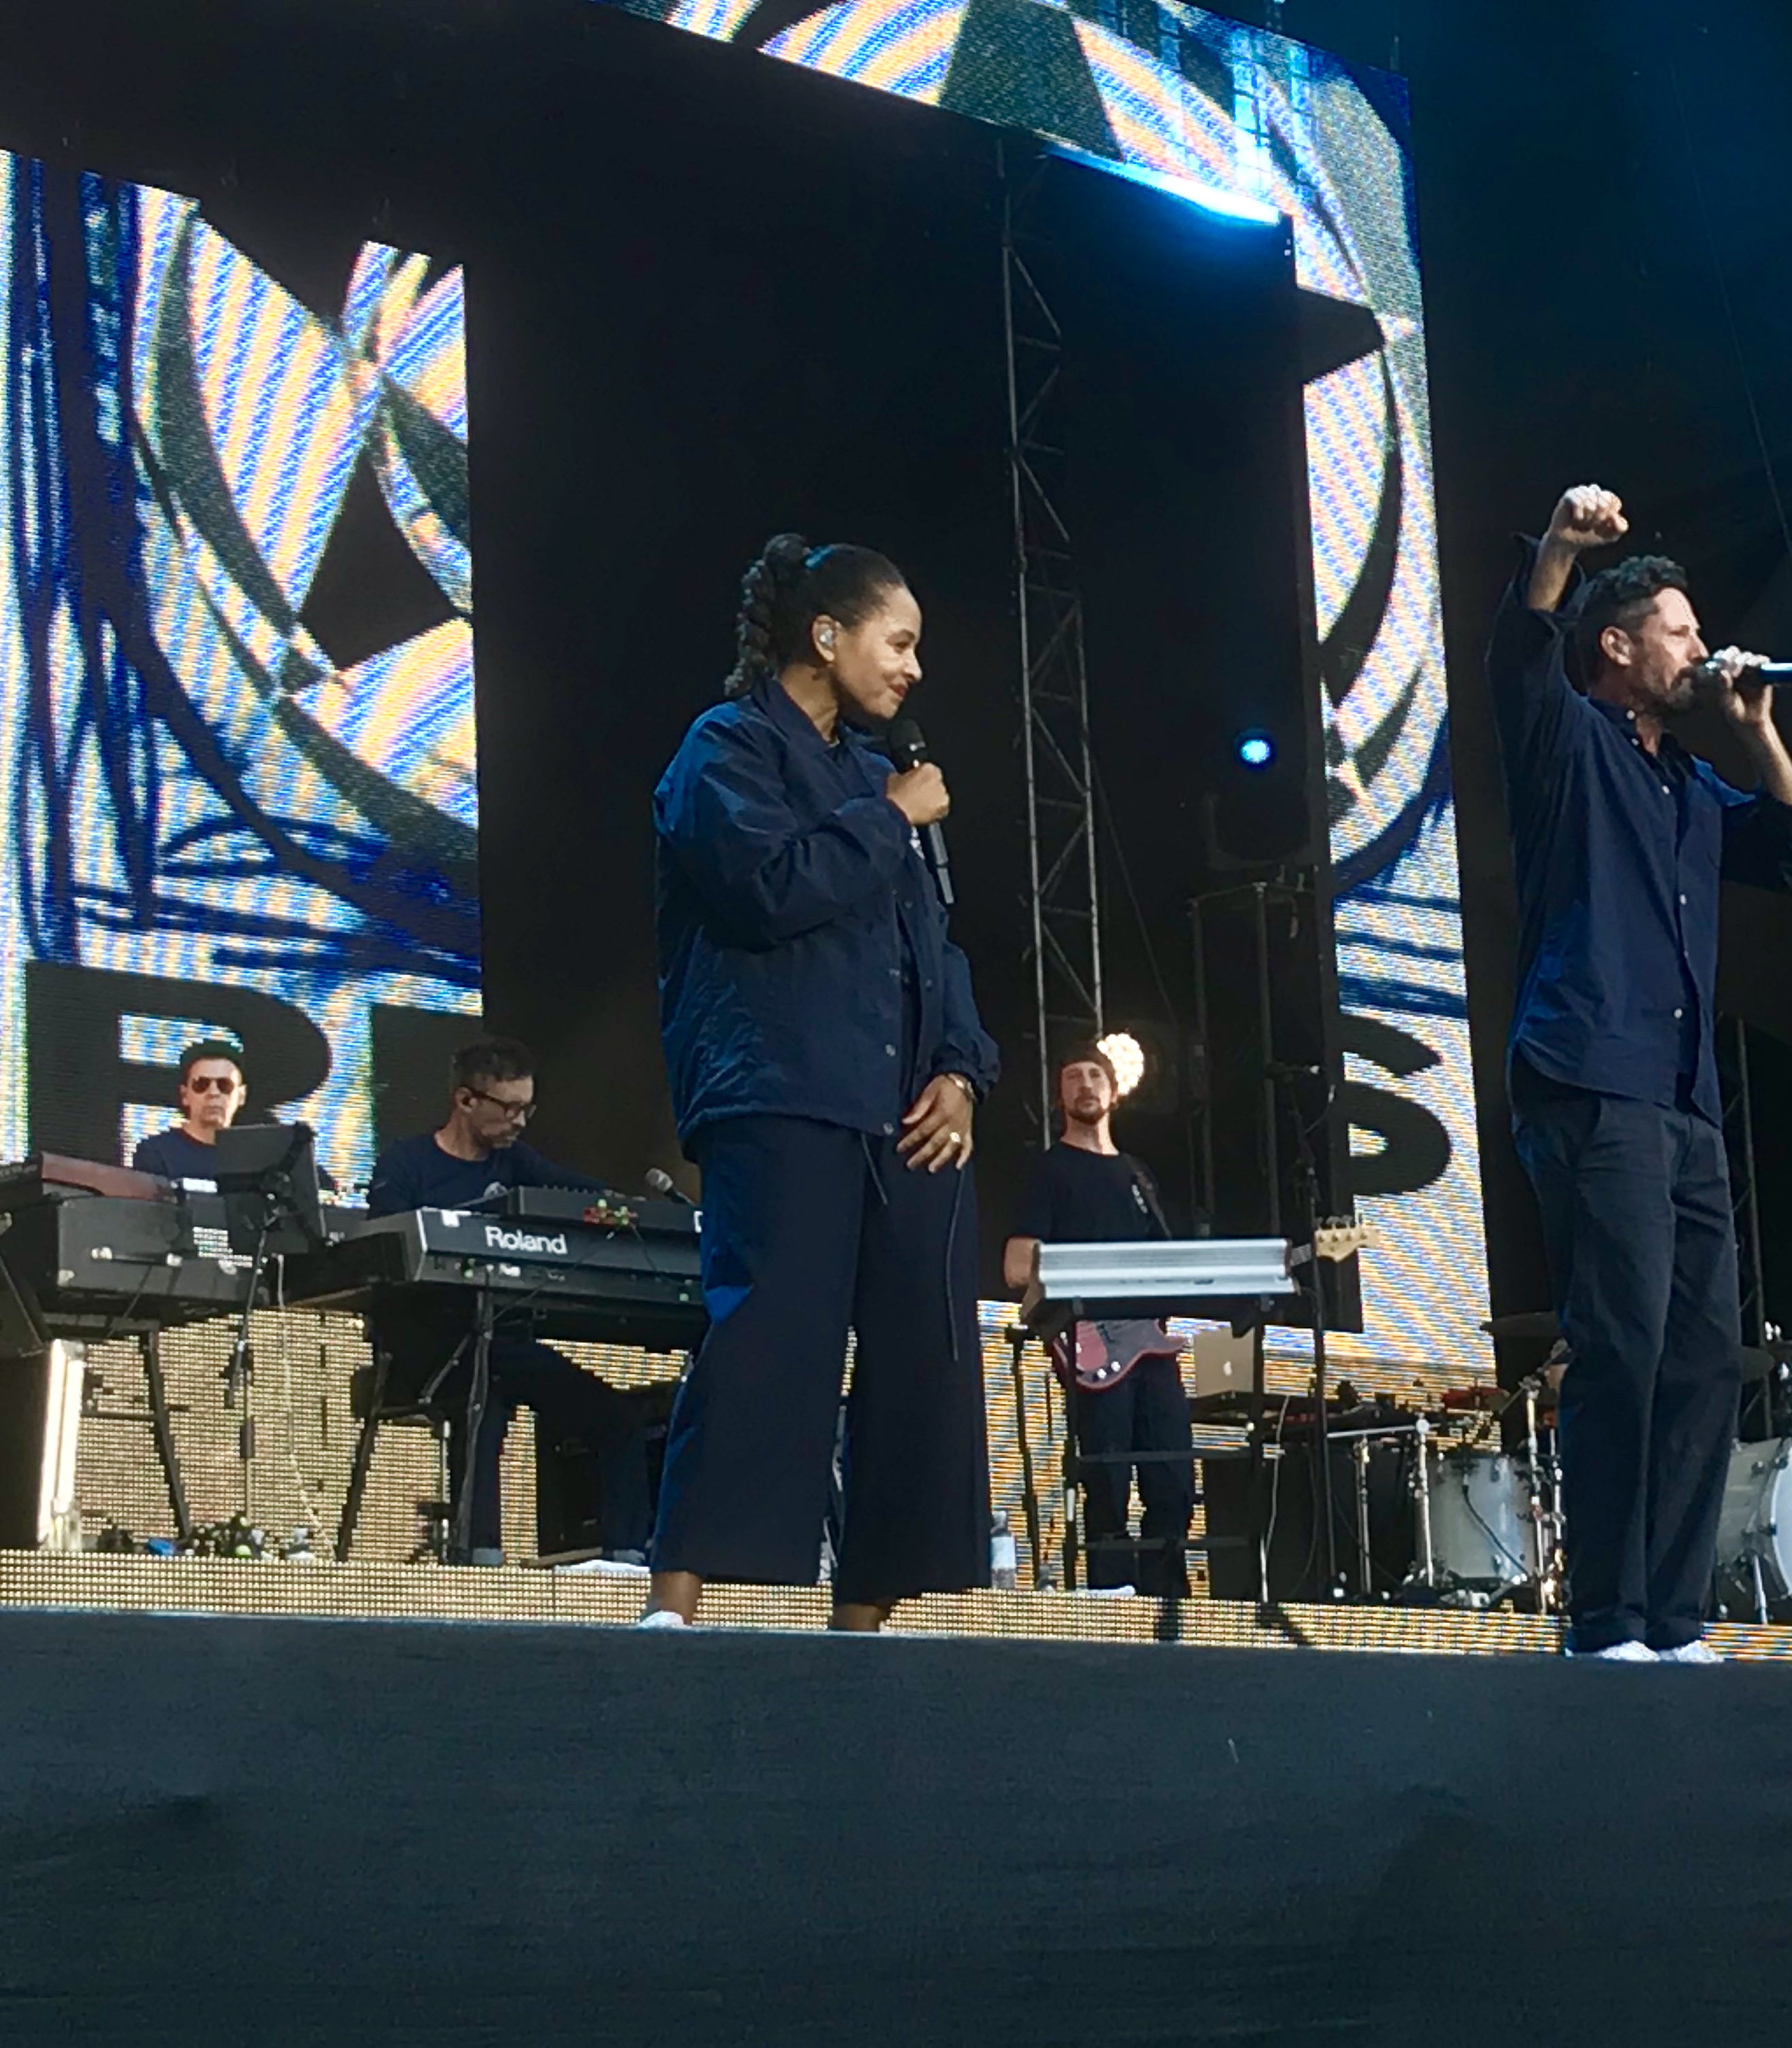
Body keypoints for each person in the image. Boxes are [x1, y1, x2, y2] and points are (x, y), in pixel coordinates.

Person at [1490, 484, 1792, 1662]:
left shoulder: (1687, 782)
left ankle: (1673, 1619)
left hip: (1685, 1098)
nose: (1700, 647)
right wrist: (1556, 548)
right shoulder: (1568, 741)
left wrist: (1757, 727)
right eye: (1680, 632)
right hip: (1593, 1076)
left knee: (1701, 1358)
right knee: (1624, 1344)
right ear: (1617, 648)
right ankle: (1606, 1619)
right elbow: (1519, 655)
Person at [643, 533, 999, 1631]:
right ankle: (676, 1605)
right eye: (899, 642)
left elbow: (934, 945)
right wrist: (891, 816)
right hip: (782, 1084)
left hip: (903, 1108)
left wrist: (963, 1070)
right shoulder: (726, 748)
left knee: (923, 1355)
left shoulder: (870, 772)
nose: (913, 669)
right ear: (827, 633)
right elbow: (765, 888)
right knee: (771, 1338)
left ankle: (866, 1622)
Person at [365, 1037, 656, 1563]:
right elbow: (387, 1254)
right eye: (509, 1109)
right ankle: (481, 1558)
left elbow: (582, 1196)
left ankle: (627, 1558)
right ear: (466, 1100)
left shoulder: (516, 1162)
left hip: (502, 1340)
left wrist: (626, 1210)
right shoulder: (406, 1164)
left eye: (527, 1109)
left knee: (616, 1420)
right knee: (485, 1400)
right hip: (424, 1342)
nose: (520, 1122)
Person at [1003, 1050, 1190, 1598]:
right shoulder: (1050, 1170)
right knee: (1107, 1482)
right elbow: (1016, 1266)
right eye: (1073, 1077)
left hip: (1150, 1346)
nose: (1085, 1084)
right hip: (1093, 1342)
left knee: (1175, 1481)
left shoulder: (1138, 1175)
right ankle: (1113, 1602)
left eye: (1095, 1075)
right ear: (1059, 1097)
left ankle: (1168, 1605)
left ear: (1114, 1091)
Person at [129, 1041, 247, 1180]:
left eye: (225, 1085)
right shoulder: (155, 1153)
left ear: (241, 1096)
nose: (213, 1092)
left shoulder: (255, 1156)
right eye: (201, 1085)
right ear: (185, 1095)